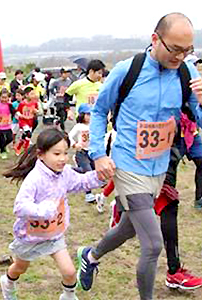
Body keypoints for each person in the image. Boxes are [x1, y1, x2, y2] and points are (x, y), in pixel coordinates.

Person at [76, 13, 202, 300]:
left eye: (187, 51)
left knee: (128, 229)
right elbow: (98, 112)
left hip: (160, 166)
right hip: (128, 165)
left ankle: (91, 255)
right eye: (175, 50)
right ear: (155, 39)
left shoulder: (187, 73)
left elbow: (198, 117)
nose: (181, 57)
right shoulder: (128, 70)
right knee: (153, 244)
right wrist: (97, 154)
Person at [0, 127, 105, 300]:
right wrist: (42, 211)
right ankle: (8, 283)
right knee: (20, 268)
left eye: (65, 153)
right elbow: (20, 207)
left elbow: (82, 182)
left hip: (54, 235)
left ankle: (68, 296)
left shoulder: (65, 173)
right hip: (30, 237)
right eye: (57, 154)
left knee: (70, 272)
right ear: (41, 154)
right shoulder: (34, 179)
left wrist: (100, 176)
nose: (63, 159)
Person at [69, 103, 97, 203]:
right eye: (88, 114)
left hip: (91, 152)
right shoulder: (78, 127)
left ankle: (71, 170)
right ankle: (88, 194)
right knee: (88, 172)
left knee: (93, 170)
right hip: (82, 153)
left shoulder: (94, 125)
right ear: (81, 115)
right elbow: (69, 136)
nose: (90, 117)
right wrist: (75, 144)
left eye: (91, 114)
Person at [14, 87, 38, 156]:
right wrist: (20, 115)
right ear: (27, 95)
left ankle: (18, 147)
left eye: (34, 94)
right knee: (28, 134)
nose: (33, 95)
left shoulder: (34, 103)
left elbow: (37, 111)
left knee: (24, 136)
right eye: (32, 94)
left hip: (30, 121)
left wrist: (36, 111)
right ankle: (26, 150)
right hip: (23, 122)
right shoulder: (22, 103)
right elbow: (17, 112)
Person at [0, 90, 15, 159]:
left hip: (7, 125)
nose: (4, 99)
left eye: (6, 98)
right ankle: (2, 151)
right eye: (2, 97)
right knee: (2, 139)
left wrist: (10, 105)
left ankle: (4, 146)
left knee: (10, 138)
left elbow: (14, 112)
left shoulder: (9, 105)